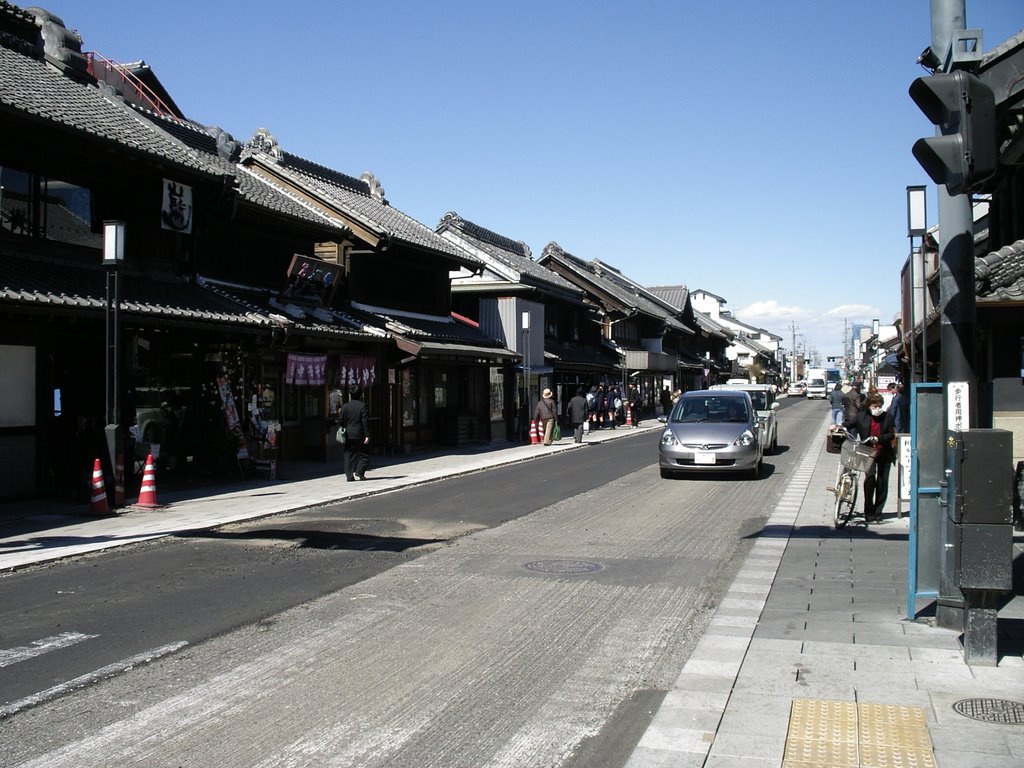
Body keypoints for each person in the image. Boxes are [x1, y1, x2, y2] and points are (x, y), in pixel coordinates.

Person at [844, 392, 895, 522]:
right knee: (870, 480)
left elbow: (891, 434)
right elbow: (849, 424)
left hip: (884, 452)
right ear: (868, 406)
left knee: (882, 482)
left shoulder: (887, 416)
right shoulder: (862, 416)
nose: (877, 409)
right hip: (867, 451)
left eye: (879, 406)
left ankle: (878, 511)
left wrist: (879, 438)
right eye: (874, 406)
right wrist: (837, 426)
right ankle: (868, 510)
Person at [340, 385, 370, 481]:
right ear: (360, 395)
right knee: (364, 454)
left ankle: (349, 476)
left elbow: (342, 421)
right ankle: (360, 471)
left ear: (350, 395)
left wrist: (344, 429)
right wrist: (367, 435)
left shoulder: (345, 407)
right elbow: (364, 421)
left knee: (348, 454)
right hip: (359, 433)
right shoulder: (362, 406)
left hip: (348, 434)